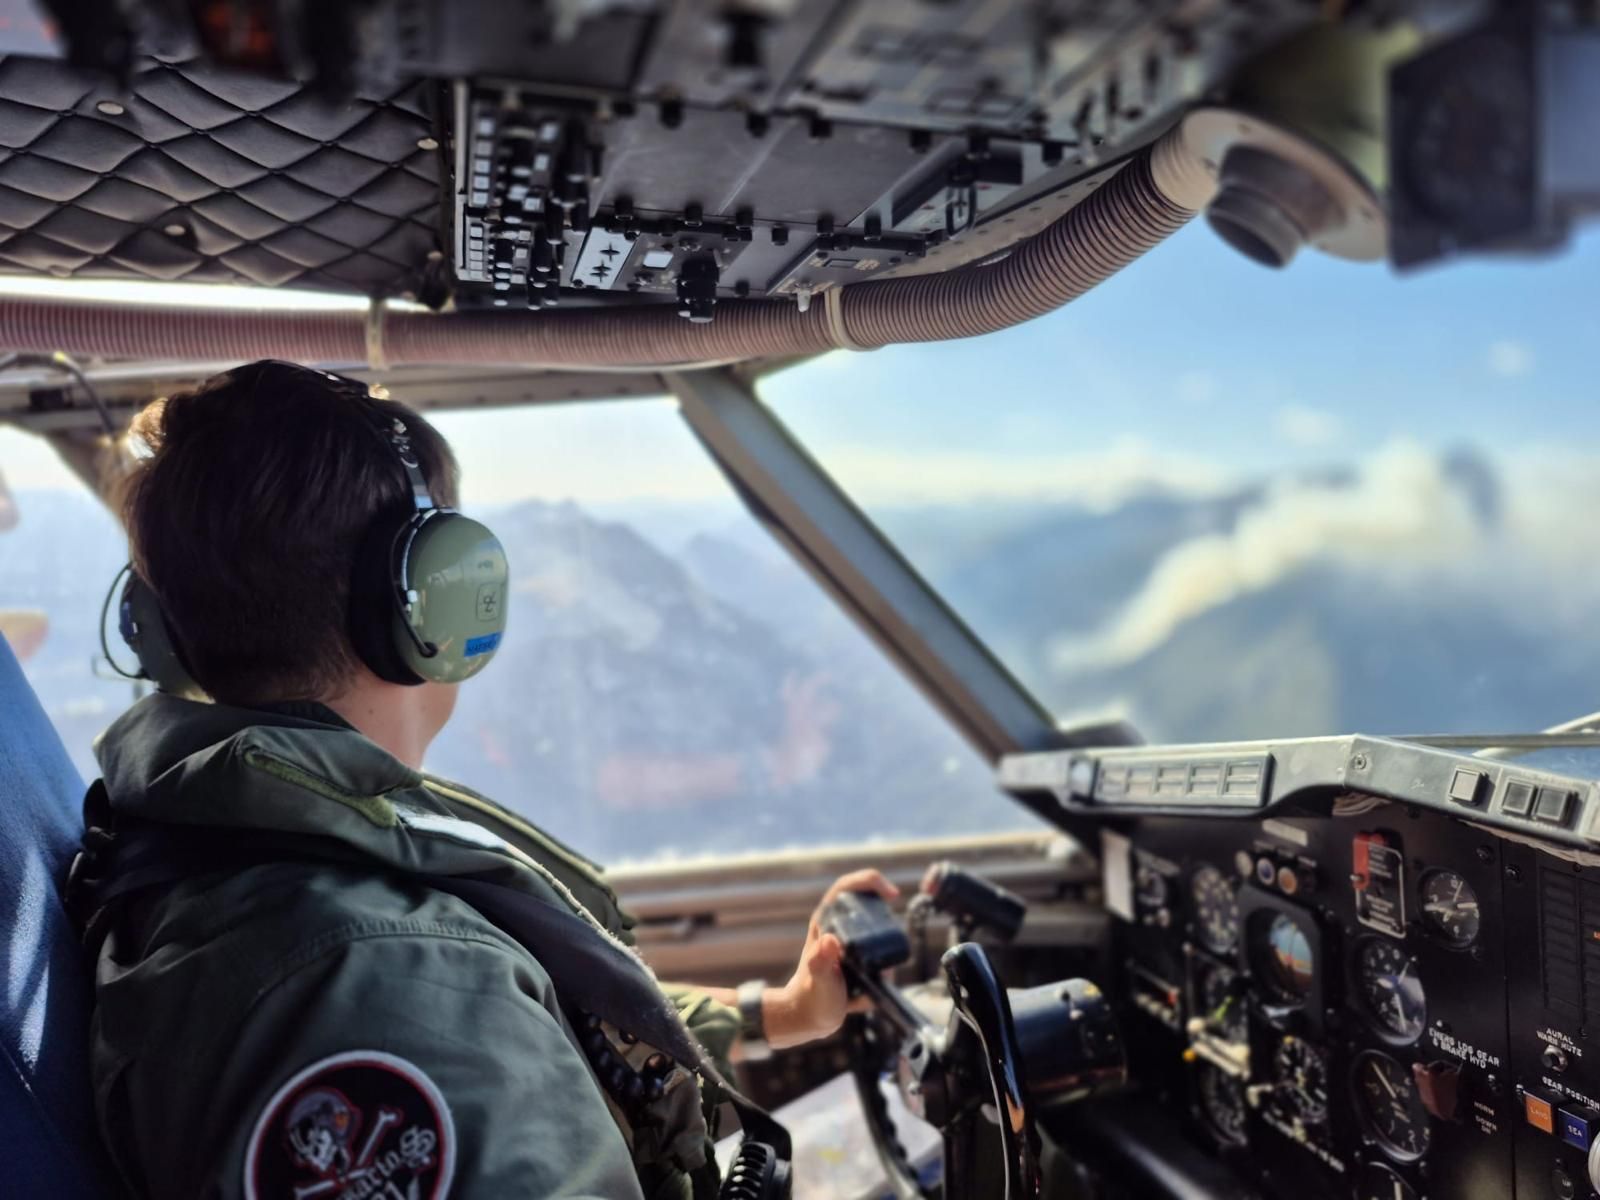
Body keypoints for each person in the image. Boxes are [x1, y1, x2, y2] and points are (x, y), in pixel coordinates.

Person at [79, 359, 896, 1200]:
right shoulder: (386, 979)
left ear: (163, 630)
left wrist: (783, 1012)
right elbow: (447, 1002)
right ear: (431, 603)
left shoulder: (251, 837)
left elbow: (535, 1011)